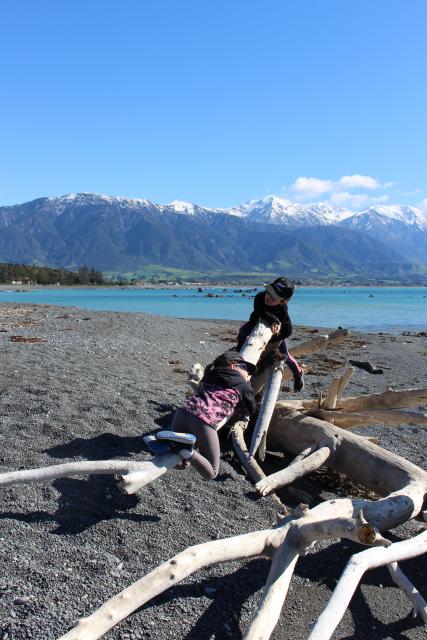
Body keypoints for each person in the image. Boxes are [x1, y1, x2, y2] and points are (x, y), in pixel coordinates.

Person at [147, 350, 256, 480]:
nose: (248, 372)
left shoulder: (209, 376)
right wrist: (248, 385)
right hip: (204, 421)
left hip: (182, 414)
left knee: (182, 463)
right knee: (211, 472)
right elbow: (250, 409)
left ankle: (164, 443)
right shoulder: (242, 385)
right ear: (232, 366)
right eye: (244, 367)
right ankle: (186, 450)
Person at [237, 277, 304, 392]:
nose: (268, 297)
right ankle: (238, 353)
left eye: (274, 298)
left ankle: (298, 375)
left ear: (283, 301)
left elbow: (288, 330)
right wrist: (273, 320)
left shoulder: (283, 309)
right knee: (242, 331)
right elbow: (260, 310)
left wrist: (273, 340)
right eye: (269, 292)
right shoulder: (260, 297)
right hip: (254, 325)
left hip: (275, 337)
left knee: (285, 355)